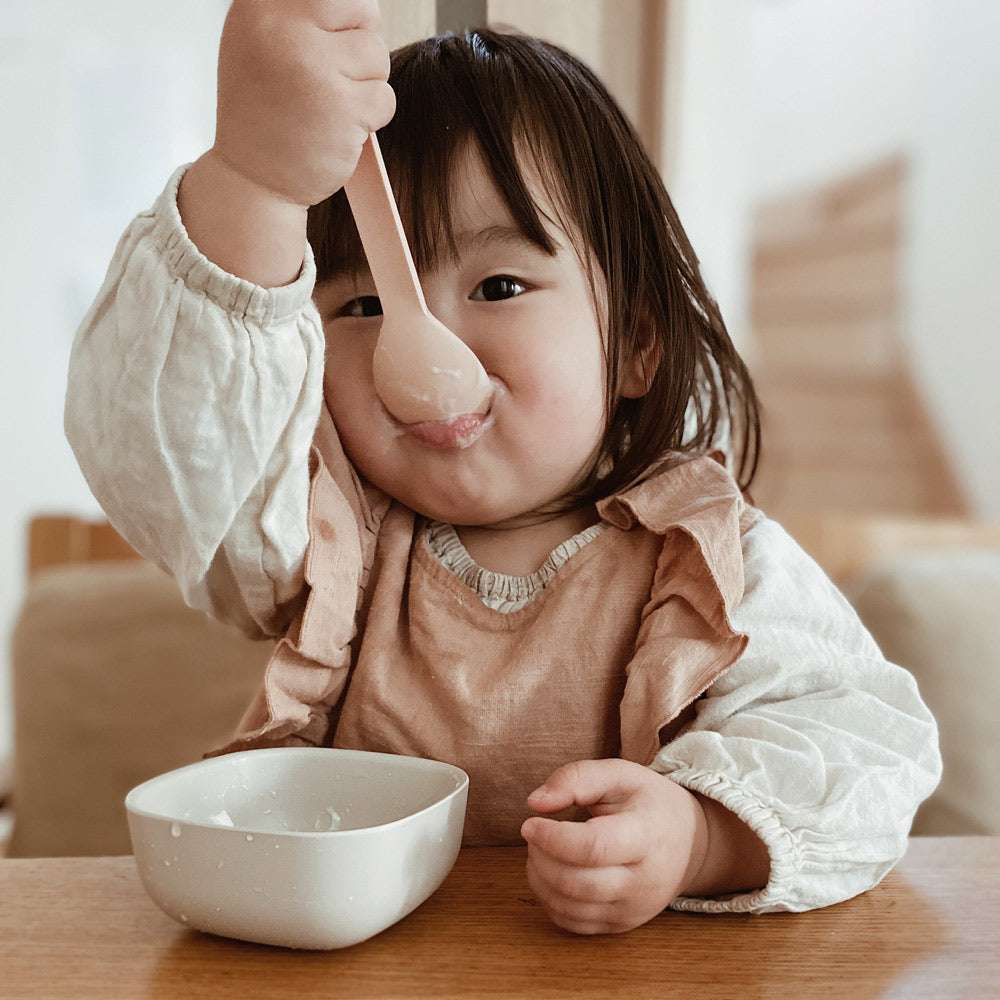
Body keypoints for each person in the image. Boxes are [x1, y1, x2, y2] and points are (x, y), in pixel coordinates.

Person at [65, 1, 940, 935]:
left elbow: (863, 748)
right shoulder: (325, 536)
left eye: (500, 287)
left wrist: (700, 835)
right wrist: (252, 186)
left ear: (636, 343)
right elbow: (178, 458)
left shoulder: (712, 562)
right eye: (360, 303)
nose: (424, 344)